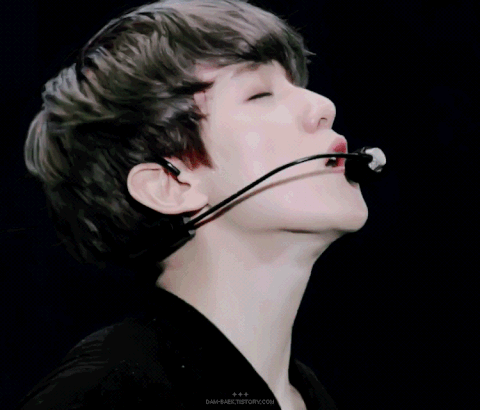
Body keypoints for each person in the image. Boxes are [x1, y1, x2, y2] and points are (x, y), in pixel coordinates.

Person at [18, 0, 368, 408]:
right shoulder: (103, 395)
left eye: (296, 86)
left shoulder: (311, 396)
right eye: (259, 94)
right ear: (168, 185)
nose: (323, 106)